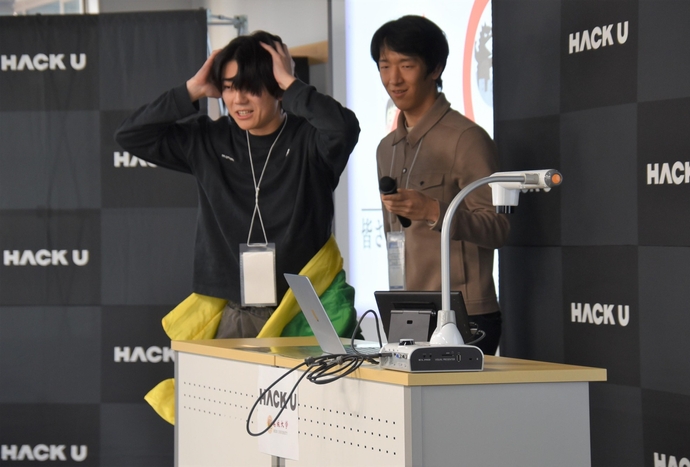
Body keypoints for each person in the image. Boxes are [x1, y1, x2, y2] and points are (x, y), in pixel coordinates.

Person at [116, 31, 361, 340]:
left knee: (323, 373)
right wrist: (192, 89)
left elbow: (344, 128)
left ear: (277, 88)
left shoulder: (310, 140)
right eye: (230, 87)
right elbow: (131, 135)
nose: (238, 100)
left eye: (251, 88)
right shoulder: (209, 140)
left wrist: (291, 82)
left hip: (307, 306)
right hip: (236, 309)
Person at [371, 16, 509, 355]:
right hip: (405, 308)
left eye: (406, 65)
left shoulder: (466, 138)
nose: (393, 79)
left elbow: (499, 228)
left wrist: (434, 211)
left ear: (435, 69)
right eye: (385, 66)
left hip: (464, 312)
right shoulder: (386, 148)